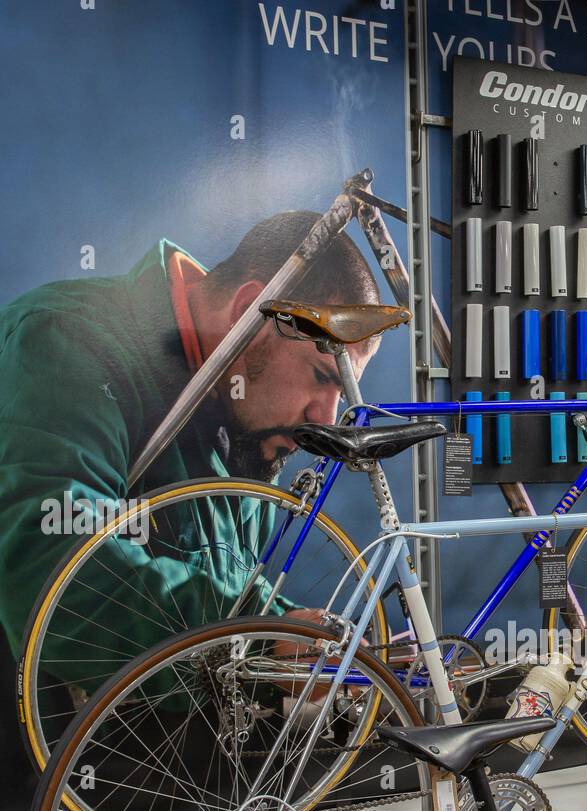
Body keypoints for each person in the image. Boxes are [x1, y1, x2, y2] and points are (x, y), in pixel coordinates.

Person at [0, 211, 383, 762]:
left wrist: (294, 639)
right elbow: (54, 569)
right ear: (250, 314)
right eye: (324, 377)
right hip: (35, 799)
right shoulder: (66, 342)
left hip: (160, 792)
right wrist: (260, 637)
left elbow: (220, 583)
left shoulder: (244, 417)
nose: (326, 416)